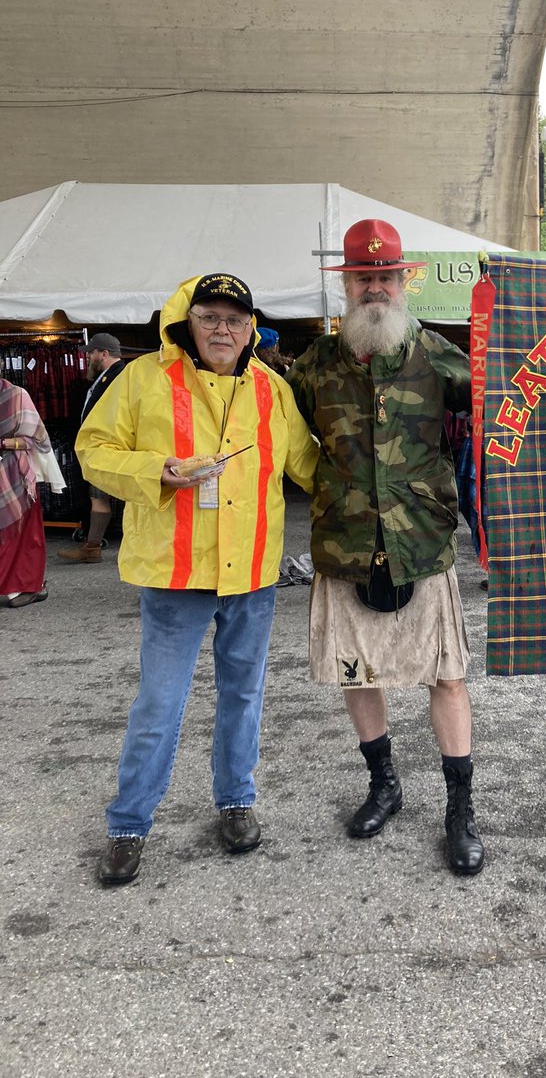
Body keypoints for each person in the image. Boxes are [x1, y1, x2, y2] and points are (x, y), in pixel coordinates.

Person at [77, 272, 318, 885]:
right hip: (175, 575)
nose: (221, 329)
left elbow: (309, 465)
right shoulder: (142, 379)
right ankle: (129, 824)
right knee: (160, 704)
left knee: (244, 695)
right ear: (188, 321)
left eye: (234, 320)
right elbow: (92, 449)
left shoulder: (271, 388)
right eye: (209, 316)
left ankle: (236, 801)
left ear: (250, 330)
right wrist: (157, 469)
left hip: (253, 575)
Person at [287, 218, 484, 876]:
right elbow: (277, 442)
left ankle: (461, 808)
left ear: (404, 281)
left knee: (447, 676)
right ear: (346, 284)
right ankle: (385, 786)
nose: (376, 286)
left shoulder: (438, 355)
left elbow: (503, 400)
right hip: (345, 543)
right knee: (357, 672)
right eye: (364, 277)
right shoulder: (313, 366)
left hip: (421, 544)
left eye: (386, 276)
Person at [58, 332, 127, 563]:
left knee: (105, 497)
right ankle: (92, 547)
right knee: (99, 496)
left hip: (111, 446)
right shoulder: (110, 375)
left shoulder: (120, 375)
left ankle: (93, 548)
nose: (88, 358)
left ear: (104, 353)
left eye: (91, 353)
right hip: (104, 446)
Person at [0, 380, 56, 608]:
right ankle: (21, 588)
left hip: (12, 473)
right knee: (23, 534)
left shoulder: (15, 394)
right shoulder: (17, 395)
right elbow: (38, 438)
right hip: (14, 474)